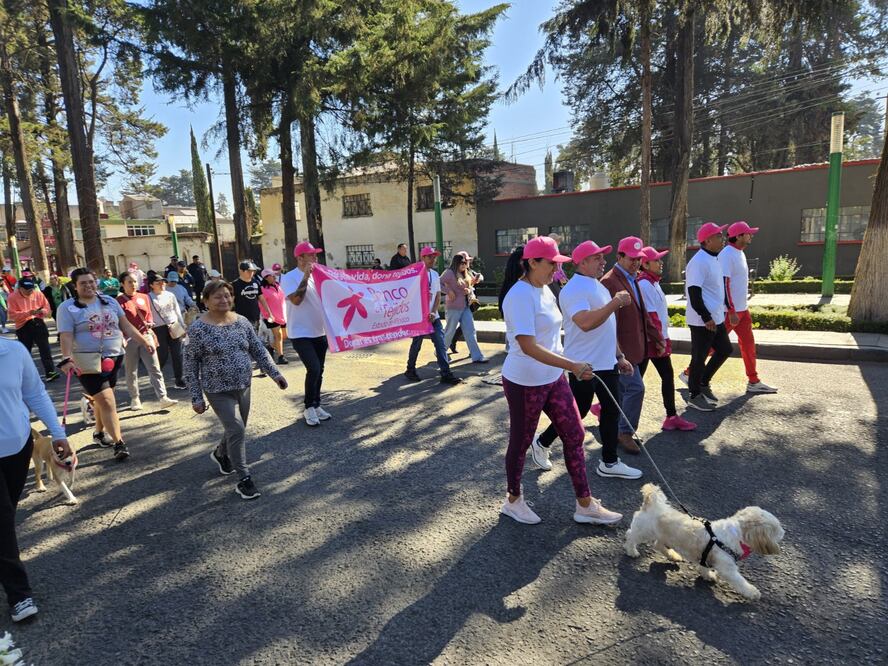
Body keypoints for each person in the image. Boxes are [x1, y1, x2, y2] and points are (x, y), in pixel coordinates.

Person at [498, 237, 622, 526]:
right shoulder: (518, 295)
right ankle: (513, 501)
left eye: (557, 263)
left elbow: (551, 340)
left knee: (575, 434)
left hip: (553, 378)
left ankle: (585, 505)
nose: (556, 269)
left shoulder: (546, 290)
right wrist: (572, 365)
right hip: (524, 381)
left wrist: (571, 364)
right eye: (551, 263)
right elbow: (529, 346)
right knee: (521, 441)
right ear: (532, 262)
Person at [529, 240, 643, 480]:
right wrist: (615, 303)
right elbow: (585, 322)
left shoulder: (597, 286)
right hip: (583, 364)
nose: (603, 262)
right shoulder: (573, 289)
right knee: (578, 411)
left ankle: (609, 462)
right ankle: (542, 442)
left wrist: (619, 356)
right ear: (582, 263)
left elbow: (607, 327)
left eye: (603, 257)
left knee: (612, 411)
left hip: (606, 363)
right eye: (597, 258)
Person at [185, 280, 287, 500]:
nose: (224, 300)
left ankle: (221, 454)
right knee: (237, 428)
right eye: (218, 296)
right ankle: (244, 478)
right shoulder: (197, 329)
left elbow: (258, 349)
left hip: (243, 385)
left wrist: (275, 374)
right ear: (206, 301)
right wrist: (196, 397)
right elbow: (190, 365)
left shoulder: (242, 322)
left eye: (227, 295)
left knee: (235, 429)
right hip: (217, 390)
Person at [0, 336, 71, 622]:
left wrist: (58, 433)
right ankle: (19, 595)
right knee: (2, 519)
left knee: (7, 513)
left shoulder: (13, 351)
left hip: (17, 449)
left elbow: (35, 393)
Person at [57, 267, 156, 460]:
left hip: (114, 357)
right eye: (83, 283)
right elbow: (66, 335)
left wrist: (144, 341)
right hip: (87, 362)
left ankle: (99, 433)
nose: (88, 286)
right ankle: (119, 443)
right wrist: (66, 358)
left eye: (91, 282)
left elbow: (126, 325)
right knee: (108, 401)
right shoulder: (67, 308)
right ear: (75, 286)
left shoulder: (110, 301)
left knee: (102, 401)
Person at [601, 236, 664, 453]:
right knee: (636, 388)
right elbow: (609, 323)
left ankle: (614, 426)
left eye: (639, 259)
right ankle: (624, 432)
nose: (636, 263)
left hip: (636, 347)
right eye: (631, 258)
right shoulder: (609, 281)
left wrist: (657, 337)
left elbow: (642, 313)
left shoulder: (632, 278)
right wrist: (618, 354)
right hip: (622, 350)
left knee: (621, 391)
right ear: (619, 257)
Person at [636, 247, 697, 431]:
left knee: (638, 380)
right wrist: (660, 341)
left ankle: (671, 416)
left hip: (655, 339)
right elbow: (651, 316)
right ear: (645, 264)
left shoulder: (652, 282)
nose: (661, 263)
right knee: (641, 381)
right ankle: (671, 417)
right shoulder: (645, 284)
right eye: (657, 260)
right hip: (652, 341)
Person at [719, 221, 777, 394]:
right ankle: (689, 373)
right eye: (748, 233)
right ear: (738, 236)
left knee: (749, 345)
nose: (751, 235)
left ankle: (753, 380)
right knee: (714, 346)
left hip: (742, 310)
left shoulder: (740, 253)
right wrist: (731, 311)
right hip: (730, 312)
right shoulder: (727, 254)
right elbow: (724, 283)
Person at [280, 242, 331, 427]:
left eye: (315, 255)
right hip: (300, 333)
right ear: (300, 258)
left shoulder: (317, 276)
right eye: (311, 255)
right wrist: (306, 275)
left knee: (320, 370)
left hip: (320, 331)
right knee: (314, 368)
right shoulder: (288, 278)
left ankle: (316, 404)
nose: (315, 258)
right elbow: (296, 300)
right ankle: (308, 407)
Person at [685, 222, 733, 411]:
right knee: (699, 357)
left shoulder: (714, 258)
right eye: (718, 236)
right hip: (702, 321)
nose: (723, 239)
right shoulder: (698, 262)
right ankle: (694, 394)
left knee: (725, 349)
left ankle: (703, 382)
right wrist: (705, 317)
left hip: (716, 317)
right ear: (707, 240)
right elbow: (694, 293)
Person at [117, 271, 178, 411]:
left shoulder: (144, 297)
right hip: (129, 339)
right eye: (129, 282)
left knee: (154, 367)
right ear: (122, 284)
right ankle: (135, 398)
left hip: (146, 335)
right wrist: (122, 337)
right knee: (131, 370)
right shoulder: (118, 301)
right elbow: (118, 322)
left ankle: (163, 397)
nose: (133, 284)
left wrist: (149, 322)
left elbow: (149, 314)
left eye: (135, 281)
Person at [404, 246, 462, 385]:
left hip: (433, 317)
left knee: (441, 345)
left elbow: (437, 296)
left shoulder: (435, 275)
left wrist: (433, 312)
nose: (433, 259)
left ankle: (445, 374)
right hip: (419, 318)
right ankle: (410, 369)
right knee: (416, 344)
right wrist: (423, 313)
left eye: (434, 257)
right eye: (430, 257)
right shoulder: (414, 274)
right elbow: (410, 297)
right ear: (422, 258)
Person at [7, 275, 59, 381]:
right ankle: (25, 375)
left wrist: (42, 311)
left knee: (45, 349)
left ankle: (50, 372)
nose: (30, 291)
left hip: (38, 322)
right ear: (20, 288)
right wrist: (28, 313)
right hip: (23, 326)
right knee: (25, 352)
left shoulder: (38, 294)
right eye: (27, 289)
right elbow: (12, 315)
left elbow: (47, 308)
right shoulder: (12, 297)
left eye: (31, 288)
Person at [441, 254, 487, 364]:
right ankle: (440, 353)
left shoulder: (466, 273)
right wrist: (448, 291)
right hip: (453, 307)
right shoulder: (449, 273)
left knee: (470, 331)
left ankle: (477, 356)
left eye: (465, 263)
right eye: (462, 263)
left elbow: (470, 286)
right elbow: (437, 283)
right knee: (450, 332)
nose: (464, 265)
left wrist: (469, 290)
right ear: (456, 263)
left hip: (466, 306)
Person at [148, 273, 187, 390]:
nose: (162, 284)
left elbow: (177, 310)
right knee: (162, 354)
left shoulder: (170, 295)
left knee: (178, 353)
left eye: (163, 282)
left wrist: (182, 325)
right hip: (158, 328)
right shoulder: (148, 297)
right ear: (151, 285)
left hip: (174, 325)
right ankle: (155, 378)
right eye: (158, 282)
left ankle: (179, 379)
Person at [447, 251, 484, 354]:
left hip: (468, 303)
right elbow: (441, 283)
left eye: (467, 261)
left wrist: (476, 280)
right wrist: (449, 291)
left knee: (469, 329)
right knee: (452, 330)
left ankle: (475, 354)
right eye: (465, 261)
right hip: (455, 305)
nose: (467, 263)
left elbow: (479, 277)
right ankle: (443, 349)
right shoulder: (451, 272)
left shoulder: (468, 271)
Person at [258, 268, 288, 364]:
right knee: (278, 335)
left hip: (282, 316)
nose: (275, 277)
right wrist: (268, 315)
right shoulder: (262, 289)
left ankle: (270, 347)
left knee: (284, 336)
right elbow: (261, 304)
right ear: (266, 277)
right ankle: (281, 357)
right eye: (272, 275)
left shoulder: (278, 285)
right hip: (271, 317)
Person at [231, 261, 269, 334]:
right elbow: (230, 301)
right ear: (241, 271)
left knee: (254, 337)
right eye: (248, 271)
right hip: (241, 319)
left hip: (255, 317)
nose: (251, 273)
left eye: (252, 271)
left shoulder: (256, 282)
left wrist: (269, 313)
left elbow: (262, 298)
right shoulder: (235, 284)